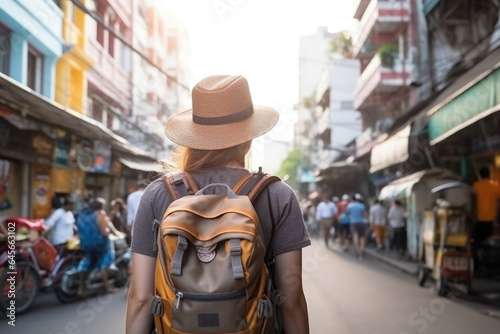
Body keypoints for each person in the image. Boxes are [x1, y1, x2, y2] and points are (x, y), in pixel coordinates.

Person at [126, 75, 310, 334]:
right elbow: (292, 301)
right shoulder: (278, 195)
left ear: (193, 138)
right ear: (248, 139)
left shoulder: (157, 194)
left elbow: (141, 299)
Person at [76, 198, 124, 298]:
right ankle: (107, 287)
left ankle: (80, 289)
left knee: (85, 264)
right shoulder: (100, 214)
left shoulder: (83, 214)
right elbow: (104, 232)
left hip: (86, 245)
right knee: (104, 263)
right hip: (100, 244)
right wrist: (111, 233)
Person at [473, 167, 500, 243]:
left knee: (480, 241)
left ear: (480, 175)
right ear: (489, 174)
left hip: (479, 218)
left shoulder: (476, 186)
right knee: (492, 242)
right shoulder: (496, 186)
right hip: (493, 220)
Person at [346, 194, 368, 259]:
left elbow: (347, 214)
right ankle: (361, 249)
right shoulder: (362, 205)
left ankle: (359, 254)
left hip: (353, 223)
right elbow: (366, 215)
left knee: (355, 239)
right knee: (362, 237)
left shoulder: (350, 206)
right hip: (361, 223)